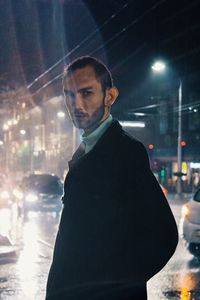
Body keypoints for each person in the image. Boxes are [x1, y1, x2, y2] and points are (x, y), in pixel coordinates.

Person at [45, 56, 178, 300]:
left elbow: (164, 236)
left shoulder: (125, 152)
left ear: (110, 96)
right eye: (69, 94)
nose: (76, 104)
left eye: (87, 93)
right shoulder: (86, 151)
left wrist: (114, 287)